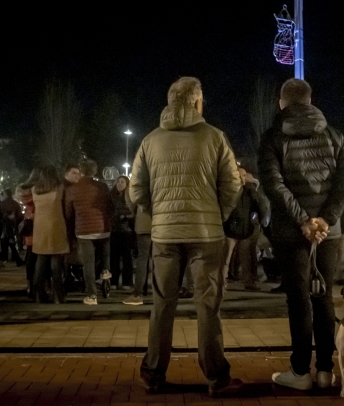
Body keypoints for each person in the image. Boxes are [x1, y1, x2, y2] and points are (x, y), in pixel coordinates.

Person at [129, 76, 243, 396]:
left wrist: (160, 214)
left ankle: (152, 373)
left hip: (165, 235)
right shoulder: (215, 137)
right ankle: (216, 377)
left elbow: (137, 190)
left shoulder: (150, 140)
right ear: (197, 101)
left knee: (163, 304)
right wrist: (216, 215)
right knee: (208, 306)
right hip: (207, 235)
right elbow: (232, 186)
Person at [259, 78, 344, 391]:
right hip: (328, 233)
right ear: (311, 99)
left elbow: (273, 185)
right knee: (323, 295)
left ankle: (300, 371)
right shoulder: (334, 135)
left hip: (291, 231)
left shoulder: (273, 137)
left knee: (298, 298)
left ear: (281, 102)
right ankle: (326, 370)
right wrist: (326, 219)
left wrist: (303, 219)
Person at [65, 159, 114, 305]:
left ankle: (92, 295)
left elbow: (68, 212)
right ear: (95, 171)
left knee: (88, 264)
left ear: (81, 170)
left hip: (83, 230)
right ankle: (105, 271)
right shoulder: (102, 187)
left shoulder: (72, 189)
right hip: (102, 227)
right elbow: (110, 206)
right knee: (105, 248)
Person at [225, 166, 270, 291]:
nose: (242, 178)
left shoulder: (250, 192)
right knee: (225, 259)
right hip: (230, 230)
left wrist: (261, 221)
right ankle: (220, 282)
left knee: (247, 260)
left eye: (244, 176)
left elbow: (260, 205)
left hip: (245, 230)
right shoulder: (229, 190)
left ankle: (249, 282)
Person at [31, 165, 70, 303]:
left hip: (40, 229)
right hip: (56, 226)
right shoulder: (59, 188)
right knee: (56, 265)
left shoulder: (35, 190)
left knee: (40, 263)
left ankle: (39, 295)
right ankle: (58, 296)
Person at [110, 175, 135, 290]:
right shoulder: (111, 196)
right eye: (118, 181)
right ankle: (113, 281)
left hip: (126, 230)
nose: (119, 184)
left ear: (127, 184)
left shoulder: (129, 197)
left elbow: (133, 211)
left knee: (126, 257)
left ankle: (127, 282)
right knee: (114, 257)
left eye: (122, 182)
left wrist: (125, 216)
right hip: (114, 230)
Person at [0, 188, 24, 267]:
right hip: (12, 225)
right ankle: (16, 259)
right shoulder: (15, 204)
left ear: (5, 194)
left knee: (7, 241)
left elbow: (1, 215)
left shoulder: (2, 204)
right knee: (9, 241)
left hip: (5, 225)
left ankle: (5, 259)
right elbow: (19, 215)